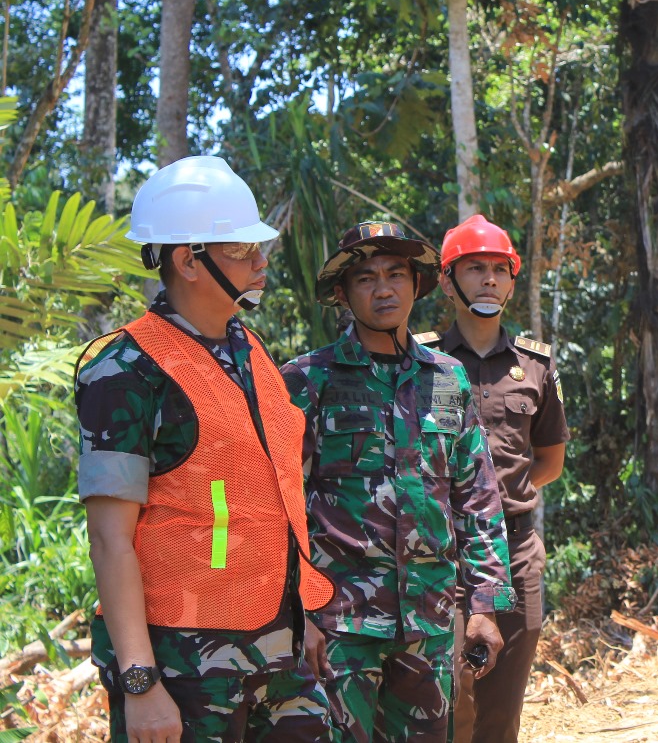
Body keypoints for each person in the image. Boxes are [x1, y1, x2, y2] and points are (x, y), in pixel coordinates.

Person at [76, 156, 333, 742]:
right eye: (241, 251)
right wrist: (140, 684)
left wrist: (303, 616)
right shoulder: (126, 372)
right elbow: (110, 538)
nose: (260, 262)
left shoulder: (253, 352)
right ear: (188, 260)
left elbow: (278, 496)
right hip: (183, 661)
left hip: (279, 646)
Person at [280, 221, 515, 743]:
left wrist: (483, 606)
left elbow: (475, 496)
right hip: (340, 625)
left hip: (429, 623)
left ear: (417, 284)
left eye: (394, 274)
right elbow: (278, 504)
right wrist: (300, 614)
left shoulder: (447, 378)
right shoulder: (307, 379)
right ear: (343, 294)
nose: (383, 288)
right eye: (365, 278)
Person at [414, 214, 568, 743]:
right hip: (441, 556)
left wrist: (503, 506)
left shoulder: (536, 366)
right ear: (446, 279)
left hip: (517, 554)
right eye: (474, 268)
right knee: (451, 707)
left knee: (502, 714)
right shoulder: (421, 362)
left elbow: (548, 461)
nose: (488, 280)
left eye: (499, 269)